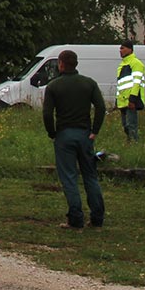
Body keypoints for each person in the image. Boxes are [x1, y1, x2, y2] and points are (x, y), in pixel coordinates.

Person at [42, 49, 106, 229]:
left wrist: (52, 132)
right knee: (90, 176)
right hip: (85, 134)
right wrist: (95, 130)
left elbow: (47, 113)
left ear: (61, 64)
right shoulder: (89, 84)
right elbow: (100, 107)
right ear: (76, 64)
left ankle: (76, 218)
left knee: (69, 177)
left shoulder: (54, 86)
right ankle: (97, 217)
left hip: (64, 135)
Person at [115, 39, 145, 142]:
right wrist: (117, 100)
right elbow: (120, 84)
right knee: (125, 126)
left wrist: (132, 99)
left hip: (131, 100)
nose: (120, 50)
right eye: (120, 48)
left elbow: (136, 83)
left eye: (123, 48)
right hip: (122, 100)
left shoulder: (136, 63)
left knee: (131, 125)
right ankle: (130, 142)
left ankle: (135, 144)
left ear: (130, 50)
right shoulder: (122, 65)